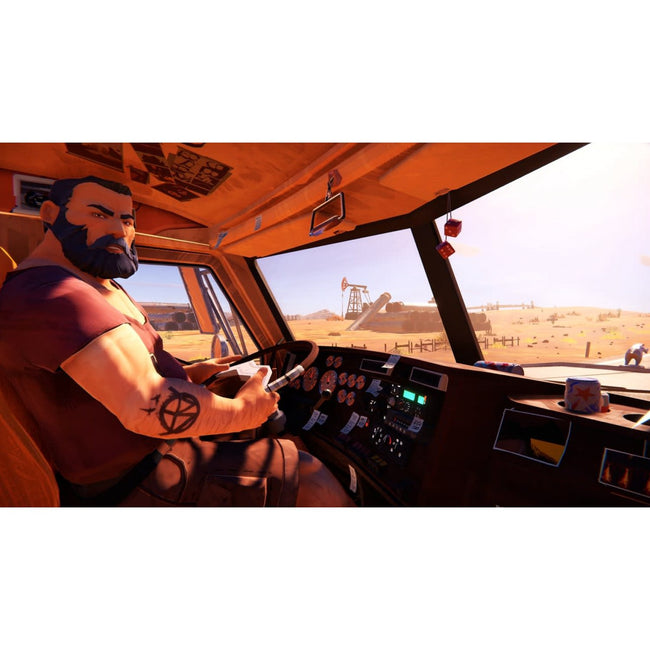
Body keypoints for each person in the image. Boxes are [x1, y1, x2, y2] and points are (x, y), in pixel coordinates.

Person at [0, 176, 353, 506]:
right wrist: (245, 412)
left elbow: (122, 372)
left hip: (147, 453)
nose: (119, 230)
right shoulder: (53, 293)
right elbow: (146, 405)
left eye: (127, 220)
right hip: (134, 478)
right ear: (50, 214)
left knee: (284, 442)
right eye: (98, 214)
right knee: (310, 476)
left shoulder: (93, 285)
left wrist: (193, 373)